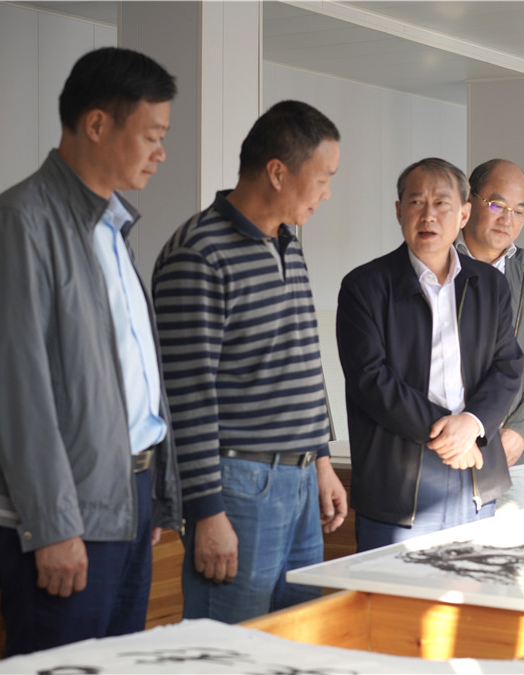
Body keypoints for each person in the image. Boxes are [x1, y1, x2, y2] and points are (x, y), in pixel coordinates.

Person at [0, 47, 182, 657]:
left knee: (116, 664)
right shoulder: (20, 222)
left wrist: (152, 495)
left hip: (128, 495)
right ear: (96, 124)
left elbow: (131, 376)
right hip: (67, 513)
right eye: (152, 135)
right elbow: (18, 396)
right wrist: (53, 525)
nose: (161, 152)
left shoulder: (111, 226)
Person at [152, 100, 348, 624]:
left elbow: (302, 363)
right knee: (231, 647)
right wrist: (206, 512)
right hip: (238, 486)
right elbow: (186, 397)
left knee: (296, 639)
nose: (327, 193)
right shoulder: (199, 253)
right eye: (323, 178)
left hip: (301, 481)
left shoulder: (288, 244)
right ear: (278, 172)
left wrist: (321, 459)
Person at [336, 157, 523, 552]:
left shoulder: (490, 285)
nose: (428, 215)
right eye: (416, 202)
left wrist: (472, 423)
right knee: (392, 589)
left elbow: (507, 366)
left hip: (475, 475)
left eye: (441, 203)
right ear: (398, 211)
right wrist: (450, 433)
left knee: (472, 585)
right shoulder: (365, 287)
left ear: (464, 214)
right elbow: (371, 380)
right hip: (398, 481)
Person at [457, 159, 524, 512]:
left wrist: (521, 430)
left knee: (514, 541)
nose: (508, 219)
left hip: (515, 449)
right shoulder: (439, 264)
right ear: (469, 200)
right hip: (452, 444)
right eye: (497, 205)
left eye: (519, 211)